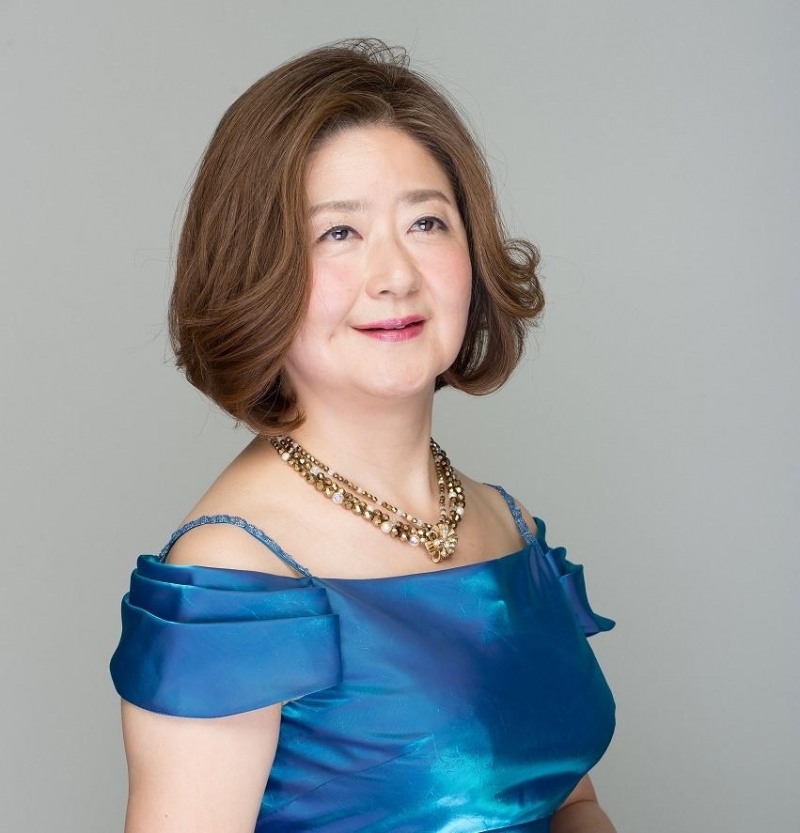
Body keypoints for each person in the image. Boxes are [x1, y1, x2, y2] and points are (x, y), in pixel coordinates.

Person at [110, 38, 618, 833]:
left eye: (426, 221)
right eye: (338, 233)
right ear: (256, 270)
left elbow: (568, 800)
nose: (396, 275)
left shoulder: (507, 523)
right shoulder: (233, 581)